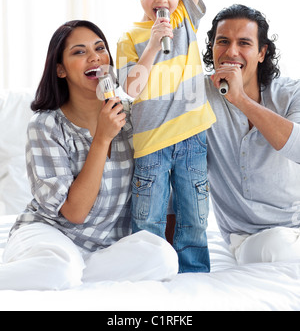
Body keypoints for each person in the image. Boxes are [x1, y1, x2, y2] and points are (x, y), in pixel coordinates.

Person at [0, 20, 178, 291]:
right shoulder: (46, 126)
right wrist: (102, 138)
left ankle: (69, 275)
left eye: (100, 48)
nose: (94, 57)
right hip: (50, 234)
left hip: (102, 248)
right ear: (60, 70)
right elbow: (75, 212)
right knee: (60, 267)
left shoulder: (132, 116)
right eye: (79, 52)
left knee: (162, 257)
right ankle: (61, 272)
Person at [117, 0, 216, 273]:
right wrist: (154, 44)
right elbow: (133, 90)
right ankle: (150, 273)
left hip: (191, 137)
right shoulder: (129, 39)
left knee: (194, 215)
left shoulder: (185, 19)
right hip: (150, 144)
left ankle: (194, 276)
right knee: (148, 218)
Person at [203, 4, 300, 264]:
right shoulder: (199, 97)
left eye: (244, 43)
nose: (231, 52)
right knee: (278, 248)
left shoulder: (291, 93)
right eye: (222, 41)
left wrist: (241, 100)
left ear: (261, 52)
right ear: (212, 49)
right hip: (248, 238)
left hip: (296, 226)